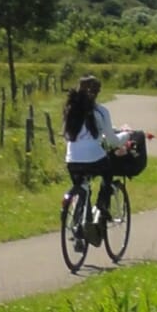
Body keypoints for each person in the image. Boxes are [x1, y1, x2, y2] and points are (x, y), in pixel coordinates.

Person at [63, 74, 130, 218]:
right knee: (107, 173)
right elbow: (112, 141)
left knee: (82, 187)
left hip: (71, 159)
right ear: (97, 92)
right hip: (94, 158)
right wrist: (126, 135)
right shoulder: (101, 111)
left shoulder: (70, 110)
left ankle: (80, 224)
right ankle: (102, 204)